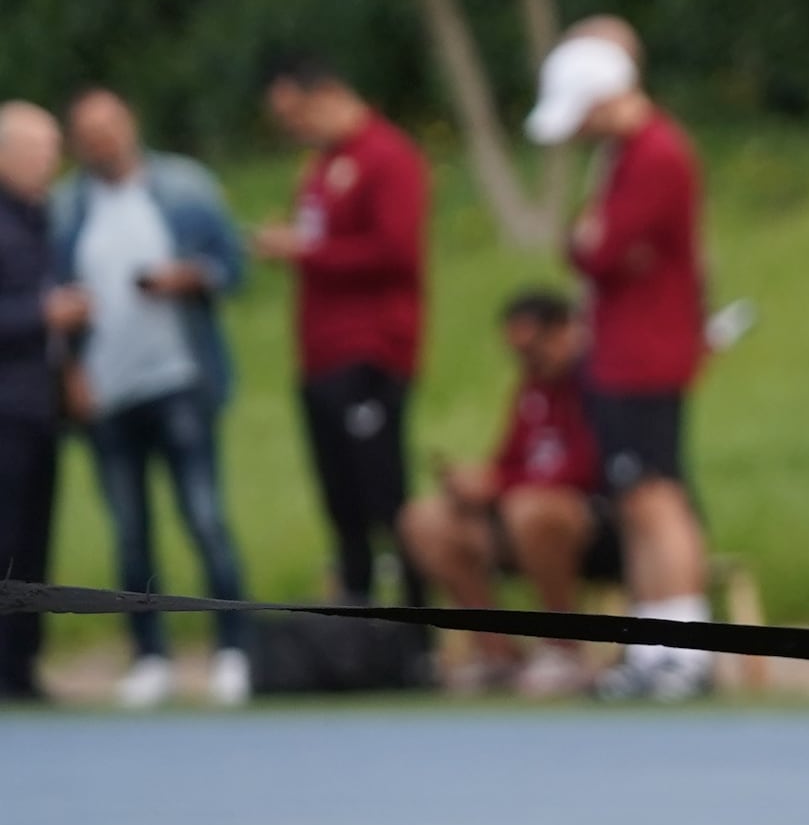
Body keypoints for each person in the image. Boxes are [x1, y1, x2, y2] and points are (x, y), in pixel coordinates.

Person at [529, 18, 719, 700]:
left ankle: (686, 649)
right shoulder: (626, 153)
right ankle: (653, 642)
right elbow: (591, 243)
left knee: (658, 497)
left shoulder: (654, 153)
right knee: (635, 500)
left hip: (645, 352)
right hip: (618, 351)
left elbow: (599, 249)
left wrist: (586, 240)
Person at [51, 89, 256, 709]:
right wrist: (71, 373)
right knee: (130, 530)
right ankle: (149, 655)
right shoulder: (66, 209)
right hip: (107, 391)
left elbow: (233, 265)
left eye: (110, 126)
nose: (102, 141)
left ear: (130, 124)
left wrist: (189, 277)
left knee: (204, 515)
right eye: (88, 132)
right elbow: (54, 296)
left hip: (179, 378)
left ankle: (234, 649)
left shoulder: (184, 186)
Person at [259, 55, 433, 606]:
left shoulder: (387, 157)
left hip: (370, 348)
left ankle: (414, 625)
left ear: (329, 94)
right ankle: (357, 618)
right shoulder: (321, 167)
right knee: (341, 497)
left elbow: (396, 251)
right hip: (321, 353)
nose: (293, 130)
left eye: (297, 115)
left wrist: (306, 252)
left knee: (383, 489)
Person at [397, 289, 619, 700]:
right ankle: (497, 654)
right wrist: (478, 480)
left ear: (566, 333)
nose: (526, 362)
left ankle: (563, 648)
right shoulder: (532, 389)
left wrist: (500, 485)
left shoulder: (599, 380)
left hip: (596, 521)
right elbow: (513, 459)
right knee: (425, 519)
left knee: (530, 510)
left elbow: (590, 466)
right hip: (519, 514)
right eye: (517, 353)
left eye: (533, 349)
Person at [0, 103, 60, 707]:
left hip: (42, 407)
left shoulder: (41, 216)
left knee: (33, 546)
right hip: (5, 410)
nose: (52, 160)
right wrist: (40, 315)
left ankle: (22, 665)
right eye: (40, 147)